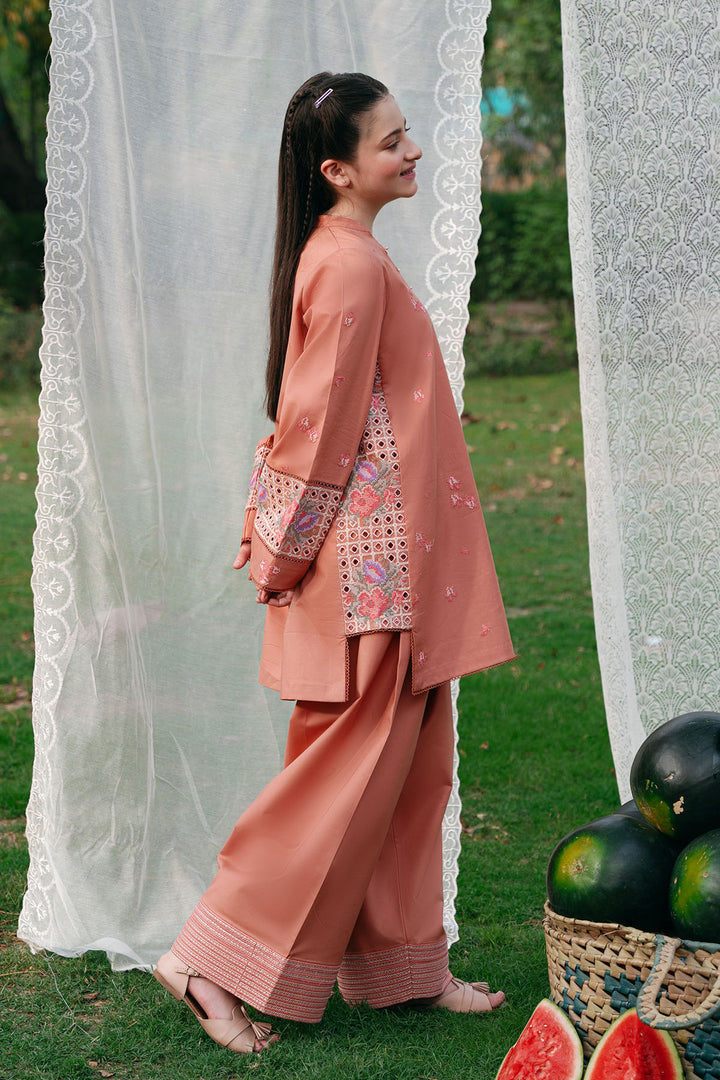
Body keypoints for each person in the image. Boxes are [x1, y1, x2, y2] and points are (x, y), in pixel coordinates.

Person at [153, 71, 515, 1055]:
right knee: (343, 782)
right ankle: (206, 960)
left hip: (396, 564)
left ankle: (402, 973)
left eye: (407, 134)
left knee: (409, 774)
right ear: (337, 170)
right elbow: (317, 430)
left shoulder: (347, 255)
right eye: (391, 141)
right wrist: (281, 553)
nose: (413, 150)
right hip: (371, 574)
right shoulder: (347, 266)